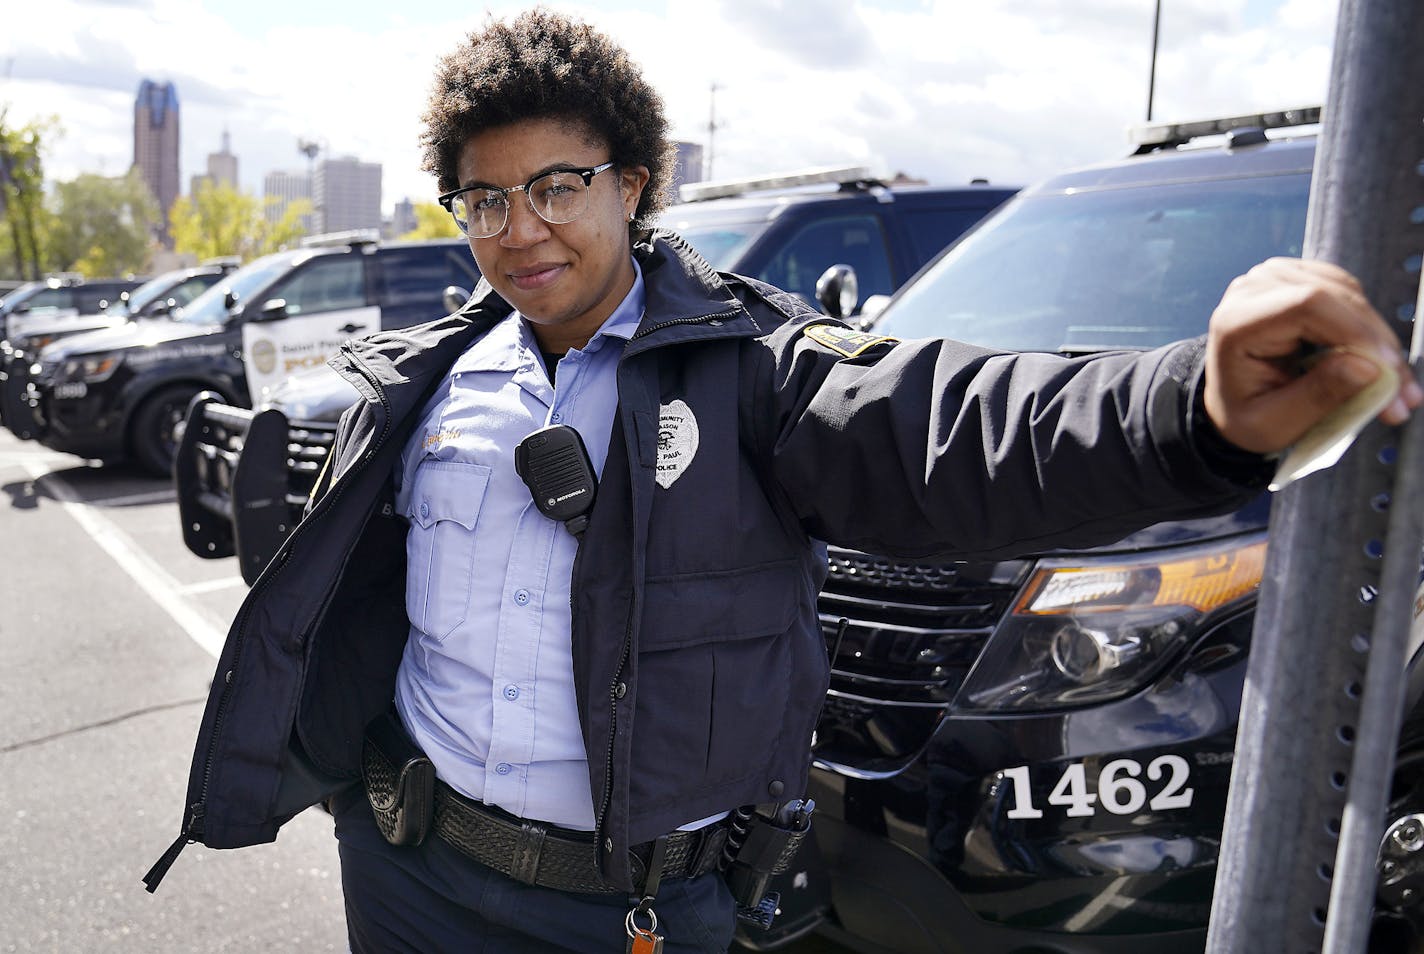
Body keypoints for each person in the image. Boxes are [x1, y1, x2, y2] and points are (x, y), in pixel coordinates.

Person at [147, 9, 1422, 953]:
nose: (518, 227)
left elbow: (955, 428)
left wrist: (1189, 403)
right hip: (410, 871)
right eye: (482, 200)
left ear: (633, 182)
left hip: (635, 913)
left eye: (553, 186)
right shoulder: (423, 382)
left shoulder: (752, 366)